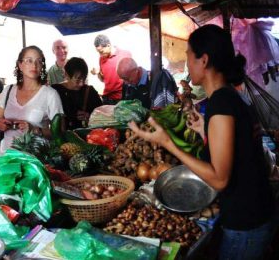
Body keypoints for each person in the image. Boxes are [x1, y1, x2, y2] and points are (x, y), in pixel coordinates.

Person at [129, 25, 275, 260]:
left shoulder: (221, 104)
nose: (186, 64)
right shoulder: (229, 97)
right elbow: (239, 147)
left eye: (188, 56)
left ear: (203, 60)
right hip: (257, 211)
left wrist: (168, 143)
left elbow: (219, 178)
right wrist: (204, 128)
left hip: (246, 222)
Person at [0, 45, 63, 151]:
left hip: (35, 159)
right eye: (29, 61)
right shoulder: (8, 90)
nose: (34, 65)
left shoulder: (50, 95)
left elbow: (61, 132)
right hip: (6, 157)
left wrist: (35, 130)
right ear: (20, 65)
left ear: (42, 66)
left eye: (38, 61)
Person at [51, 57, 102, 129]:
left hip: (87, 136)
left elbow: (102, 115)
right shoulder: (55, 91)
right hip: (62, 137)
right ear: (66, 75)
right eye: (77, 79)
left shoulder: (90, 91)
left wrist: (90, 116)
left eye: (84, 79)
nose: (81, 84)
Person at [91, 34, 130, 104]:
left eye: (101, 52)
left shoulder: (125, 54)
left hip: (121, 98)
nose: (100, 55)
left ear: (108, 45)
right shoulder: (101, 59)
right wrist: (98, 73)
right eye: (98, 52)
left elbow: (131, 76)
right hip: (107, 98)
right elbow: (103, 80)